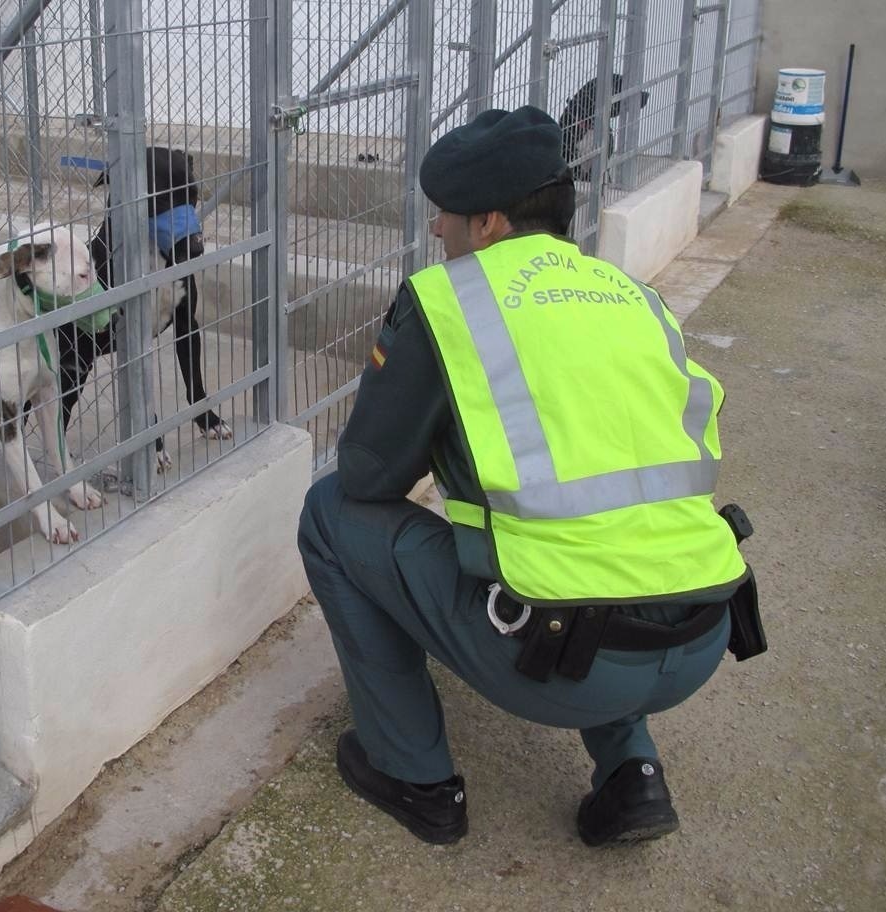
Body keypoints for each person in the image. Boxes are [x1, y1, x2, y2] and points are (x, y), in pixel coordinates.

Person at [296, 105, 764, 848]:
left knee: (329, 514)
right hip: (703, 632)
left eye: (441, 216)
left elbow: (368, 475)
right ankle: (631, 773)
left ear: (485, 224)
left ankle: (416, 778)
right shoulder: (630, 295)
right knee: (610, 547)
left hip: (566, 663)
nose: (433, 231)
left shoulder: (450, 299)